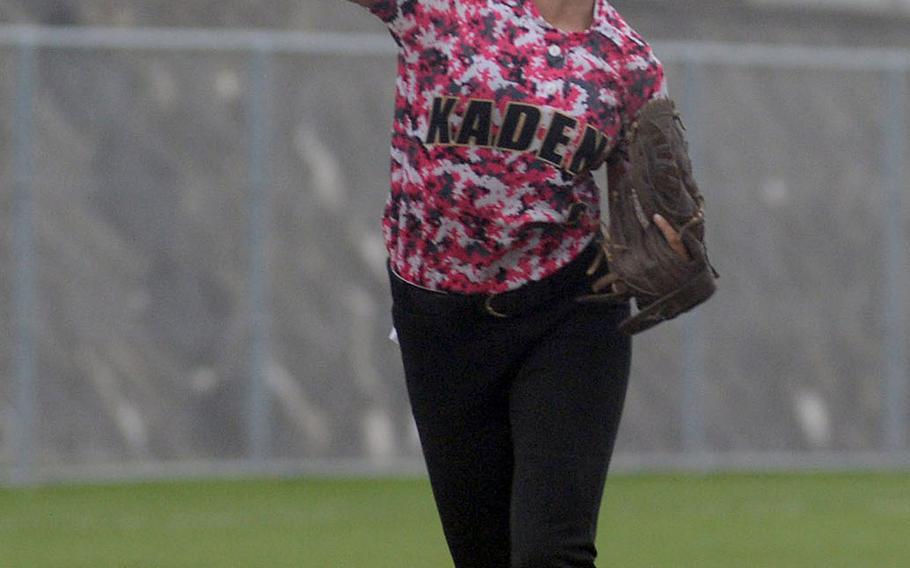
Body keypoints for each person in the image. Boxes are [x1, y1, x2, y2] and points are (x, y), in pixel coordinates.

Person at [346, 0, 684, 566]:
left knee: (551, 553)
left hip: (568, 309)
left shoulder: (629, 64)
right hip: (439, 322)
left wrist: (665, 233)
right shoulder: (450, 10)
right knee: (484, 555)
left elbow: (648, 206)